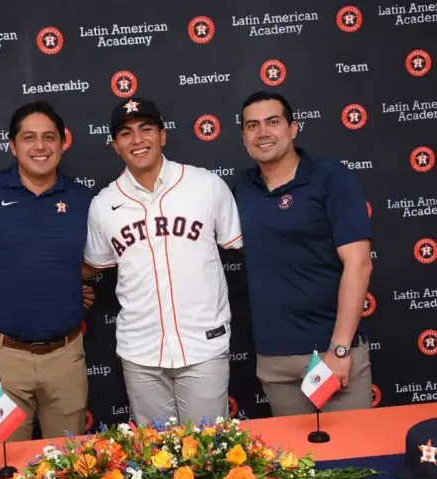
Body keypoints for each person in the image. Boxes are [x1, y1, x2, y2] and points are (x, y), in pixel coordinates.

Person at [82, 97, 243, 427]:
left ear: (163, 135)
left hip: (203, 347)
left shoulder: (206, 185)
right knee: (154, 459)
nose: (137, 140)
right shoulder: (104, 203)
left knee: (211, 454)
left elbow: (239, 245)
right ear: (115, 145)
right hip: (140, 352)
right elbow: (93, 264)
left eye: (146, 129)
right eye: (126, 133)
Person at [0, 101, 93, 443]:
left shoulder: (84, 199)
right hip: (2, 359)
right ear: (13, 145)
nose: (39, 146)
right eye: (29, 137)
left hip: (65, 358)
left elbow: (95, 259)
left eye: (49, 137)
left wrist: (72, 286)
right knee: (5, 460)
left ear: (63, 142)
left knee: (71, 466)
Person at [234, 90, 374, 417]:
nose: (263, 132)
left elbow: (359, 263)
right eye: (252, 126)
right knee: (294, 465)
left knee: (354, 458)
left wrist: (339, 348)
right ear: (244, 138)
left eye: (273, 122)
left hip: (331, 354)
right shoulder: (242, 188)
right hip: (275, 361)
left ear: (293, 128)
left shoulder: (331, 178)